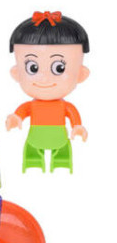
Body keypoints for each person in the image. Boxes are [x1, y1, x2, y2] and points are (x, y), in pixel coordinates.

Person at [6, 11, 90, 172]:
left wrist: (77, 126)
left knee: (62, 151)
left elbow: (72, 114)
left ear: (81, 73)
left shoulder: (65, 106)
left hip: (60, 138)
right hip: (35, 137)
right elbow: (22, 111)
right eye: (33, 68)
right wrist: (16, 118)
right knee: (32, 150)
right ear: (16, 73)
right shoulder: (31, 105)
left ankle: (61, 162)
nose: (44, 78)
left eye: (59, 68)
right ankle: (33, 161)